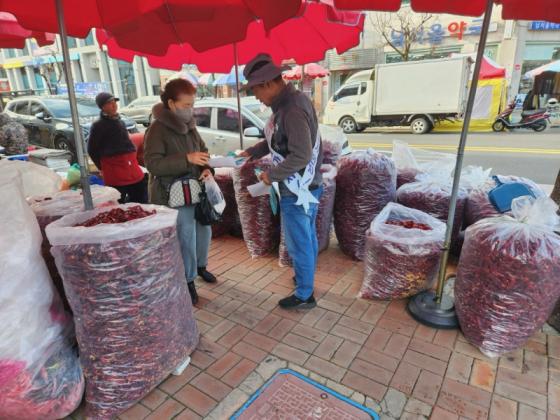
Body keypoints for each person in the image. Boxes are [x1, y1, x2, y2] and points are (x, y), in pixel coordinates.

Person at [240, 53, 323, 310]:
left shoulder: (292, 109)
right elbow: (278, 140)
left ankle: (304, 294)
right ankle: (304, 277)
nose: (256, 97)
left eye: (255, 90)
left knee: (300, 242)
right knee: (306, 238)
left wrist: (271, 175)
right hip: (305, 186)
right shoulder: (288, 103)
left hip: (298, 188)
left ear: (268, 84)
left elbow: (301, 154)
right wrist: (253, 152)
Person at [144, 79, 217, 305]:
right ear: (171, 104)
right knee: (186, 236)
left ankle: (201, 265)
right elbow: (153, 165)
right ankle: (188, 280)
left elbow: (202, 151)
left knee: (204, 228)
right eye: (185, 105)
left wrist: (206, 169)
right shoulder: (157, 129)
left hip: (196, 188)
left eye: (192, 105)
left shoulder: (190, 126)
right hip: (172, 192)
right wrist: (186, 159)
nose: (190, 110)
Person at [87, 92, 147, 204]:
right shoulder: (98, 125)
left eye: (114, 102)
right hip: (114, 169)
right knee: (117, 203)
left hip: (131, 166)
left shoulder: (120, 121)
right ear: (102, 107)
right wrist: (102, 167)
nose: (114, 105)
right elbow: (91, 149)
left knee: (141, 197)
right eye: (109, 103)